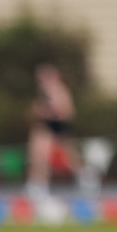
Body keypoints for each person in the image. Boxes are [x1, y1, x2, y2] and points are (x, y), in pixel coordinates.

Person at [27, 63, 77, 197]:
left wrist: (49, 112)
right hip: (46, 126)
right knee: (38, 154)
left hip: (58, 125)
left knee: (70, 157)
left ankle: (84, 178)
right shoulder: (43, 91)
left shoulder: (59, 90)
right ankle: (37, 183)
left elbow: (67, 112)